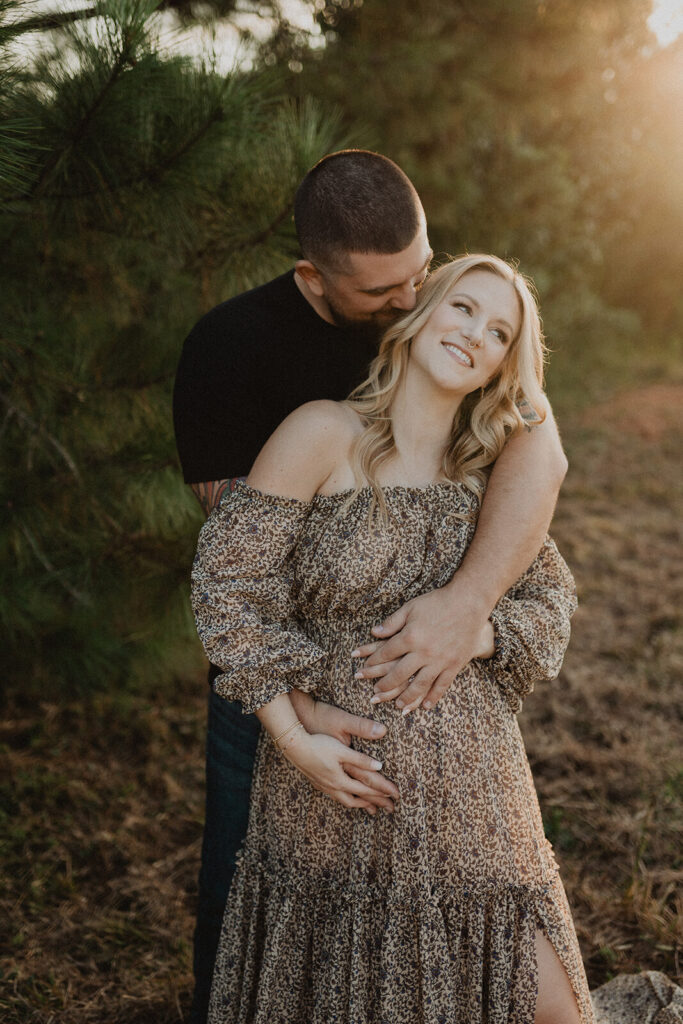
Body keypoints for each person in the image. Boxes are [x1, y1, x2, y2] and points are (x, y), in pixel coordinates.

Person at [173, 151, 568, 1023]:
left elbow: (545, 580)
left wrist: (475, 620)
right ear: (316, 276)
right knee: (260, 923)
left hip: (470, 777)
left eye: (424, 276)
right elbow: (236, 580)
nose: (417, 299)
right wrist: (296, 720)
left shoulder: (483, 451)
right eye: (443, 302)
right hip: (314, 740)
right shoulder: (245, 359)